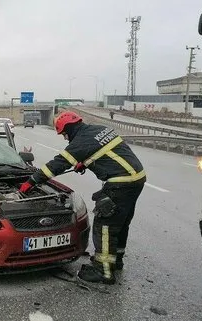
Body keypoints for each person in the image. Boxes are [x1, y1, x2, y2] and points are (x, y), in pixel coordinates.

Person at [19, 111, 146, 284]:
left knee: (105, 225)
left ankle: (104, 271)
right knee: (121, 223)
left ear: (69, 129)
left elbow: (57, 164)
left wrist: (32, 181)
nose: (65, 138)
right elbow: (108, 153)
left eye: (64, 134)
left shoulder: (80, 142)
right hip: (136, 179)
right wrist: (86, 161)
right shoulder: (99, 130)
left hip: (121, 183)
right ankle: (116, 261)